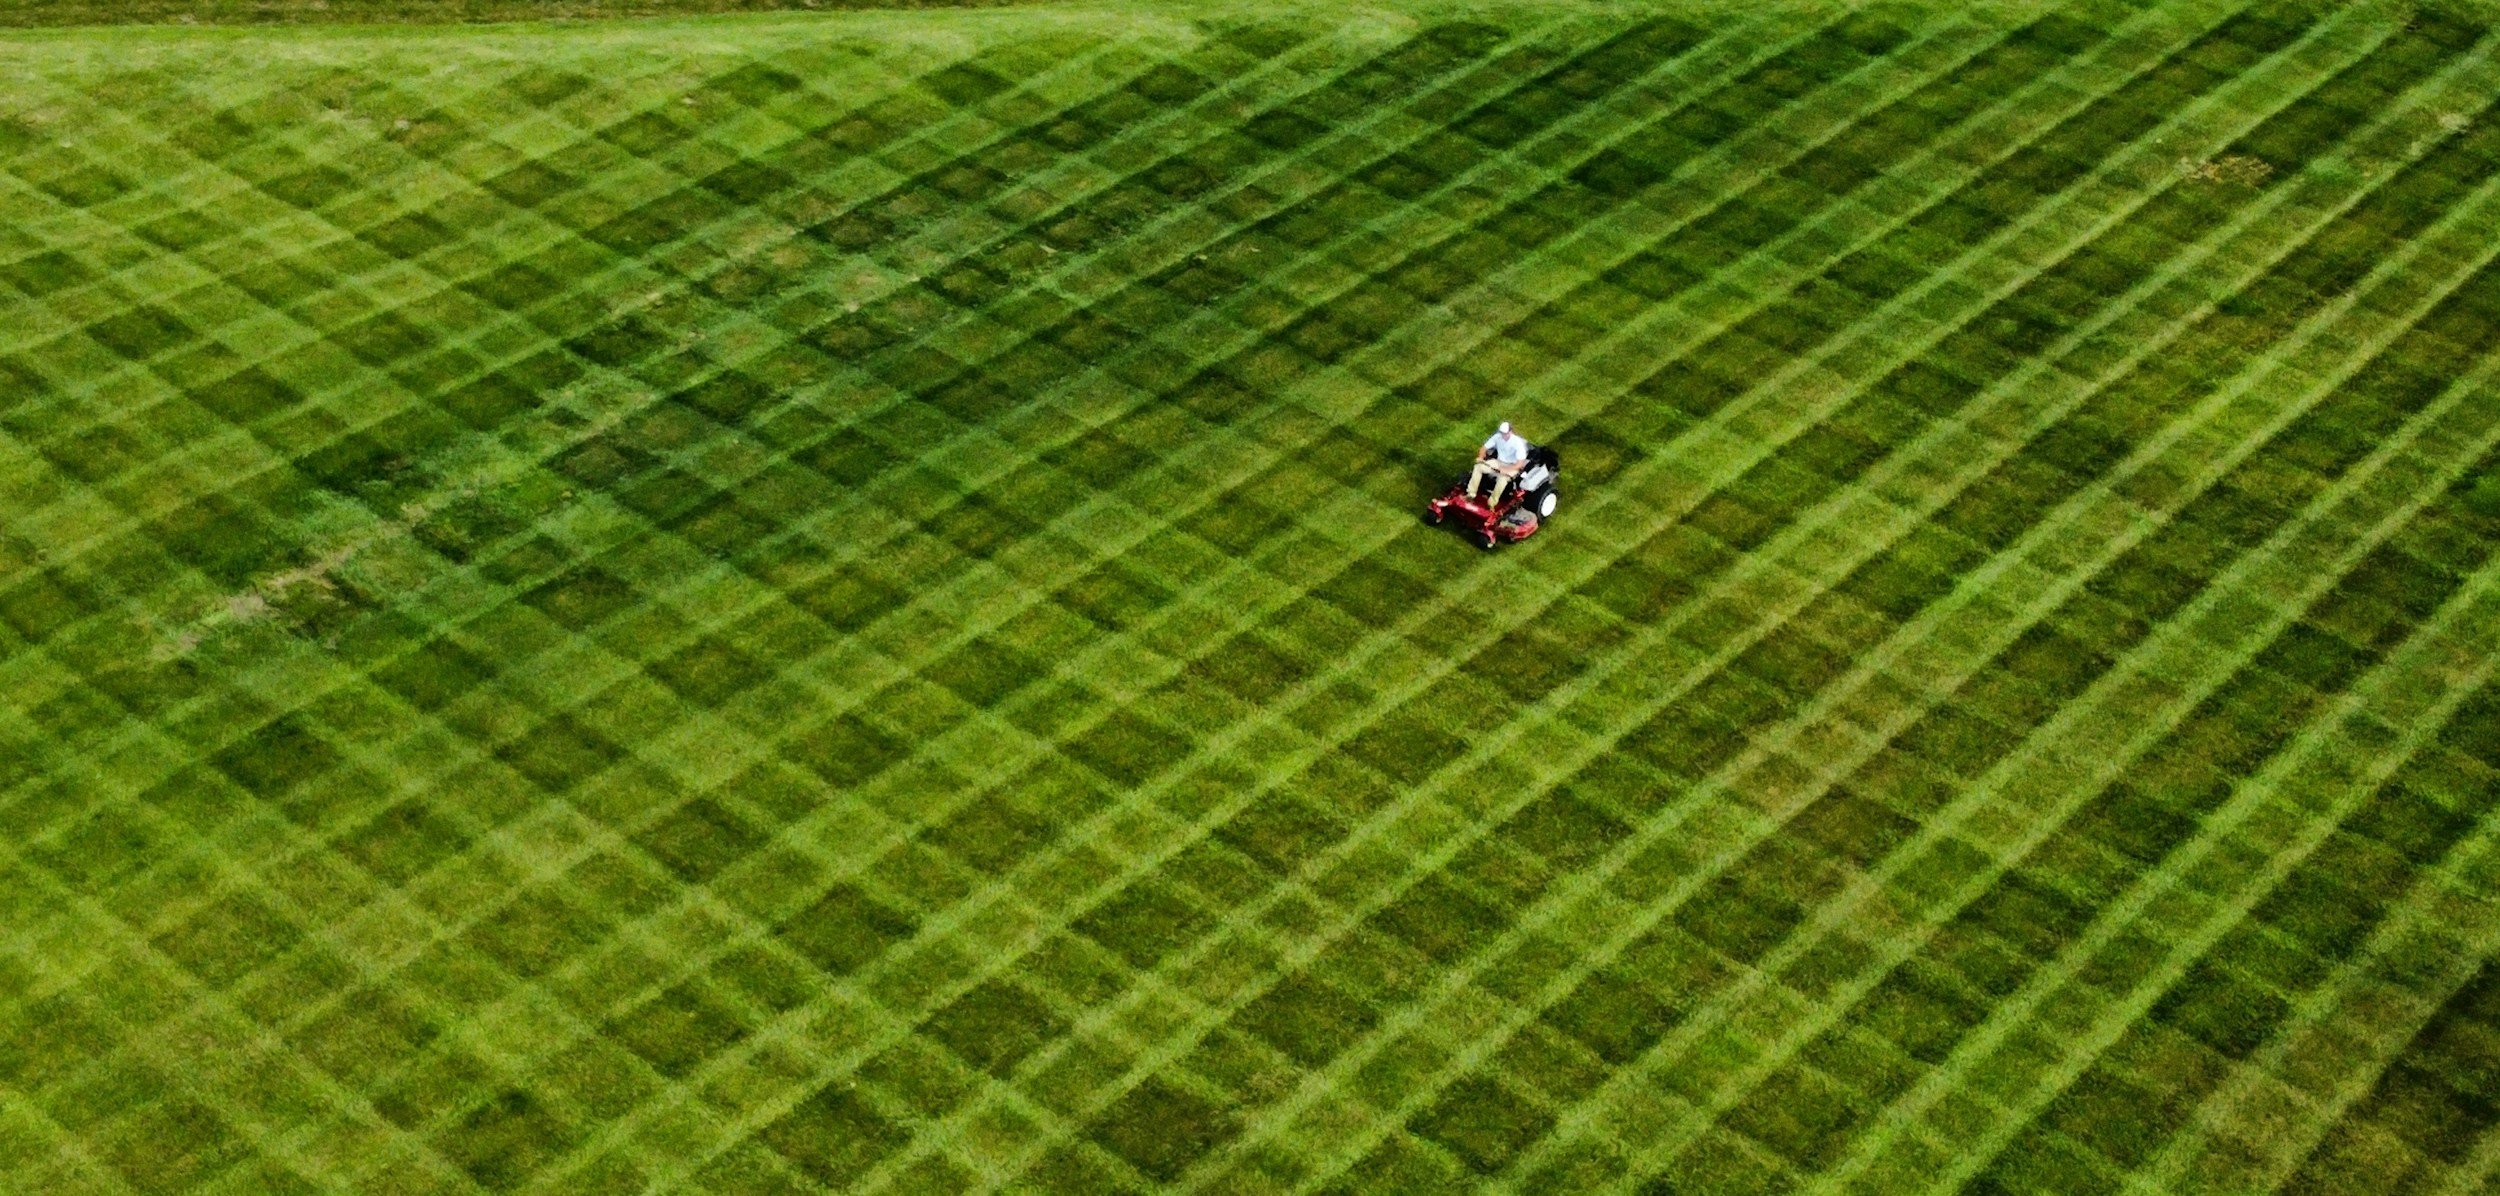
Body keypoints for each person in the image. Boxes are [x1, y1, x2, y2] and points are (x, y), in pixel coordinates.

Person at [1467, 421, 1530, 505]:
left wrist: (1505, 469)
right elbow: (1484, 448)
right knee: (1478, 467)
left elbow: (1519, 464)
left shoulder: (1517, 443)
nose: (1503, 435)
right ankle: (1471, 494)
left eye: (1505, 433)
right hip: (1498, 462)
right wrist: (1481, 457)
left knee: (1502, 479)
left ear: (1510, 432)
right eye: (1502, 433)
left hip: (1512, 466)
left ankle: (1492, 503)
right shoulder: (1497, 437)